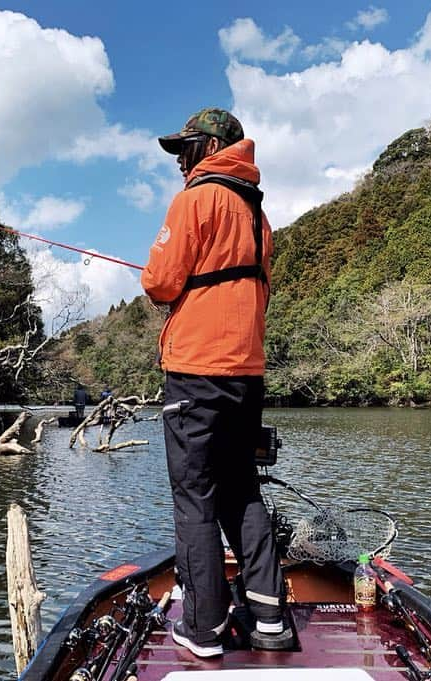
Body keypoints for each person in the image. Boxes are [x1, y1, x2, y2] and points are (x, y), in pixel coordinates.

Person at [141, 108, 290, 657]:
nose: (179, 160)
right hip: (246, 374)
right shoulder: (258, 213)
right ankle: (269, 617)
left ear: (208, 147)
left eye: (184, 149)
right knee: (241, 489)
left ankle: (203, 628)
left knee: (195, 498)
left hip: (197, 372)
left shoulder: (194, 199)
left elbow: (159, 283)